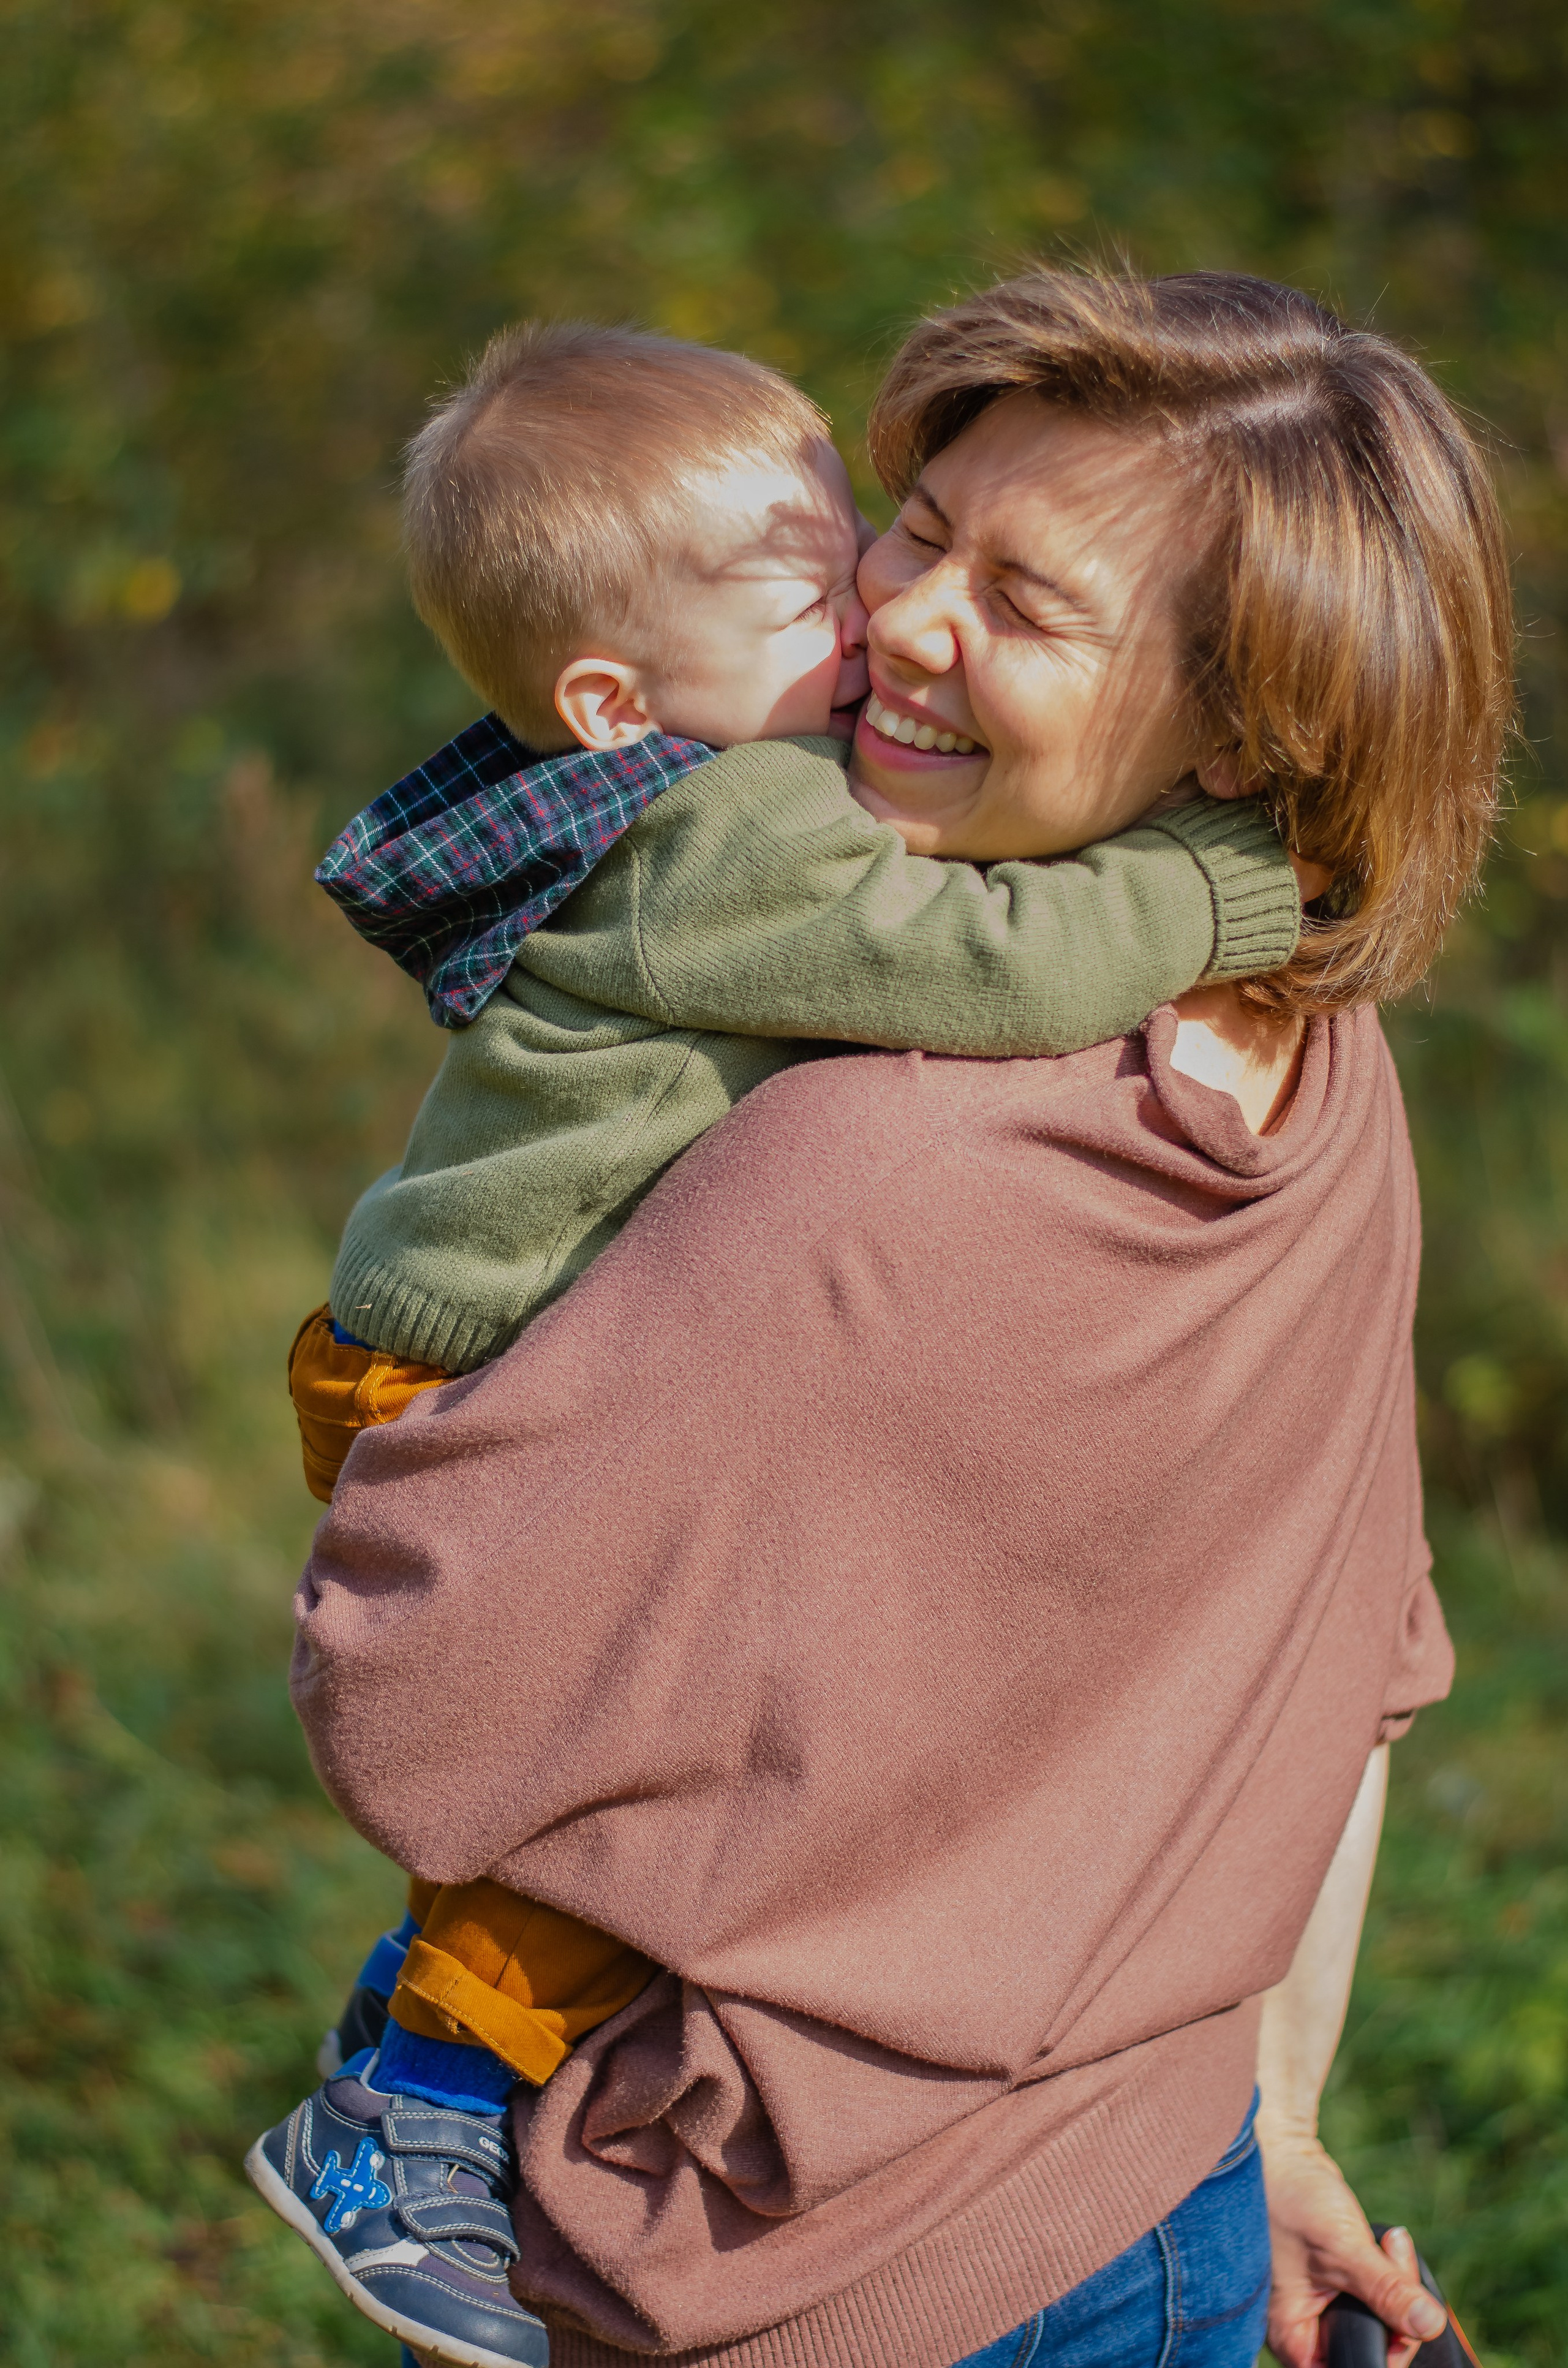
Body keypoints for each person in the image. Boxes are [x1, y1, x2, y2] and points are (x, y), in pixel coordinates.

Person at [271, 268, 1511, 2368]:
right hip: (1129, 2200)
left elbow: (413, 1698)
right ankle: (415, 2093)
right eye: (921, 524)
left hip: (809, 2267)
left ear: (1244, 717)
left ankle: (416, 2097)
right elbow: (1337, 1691)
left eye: (1025, 600)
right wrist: (1277, 2117)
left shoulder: (857, 1177)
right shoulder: (1327, 1076)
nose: (905, 614)